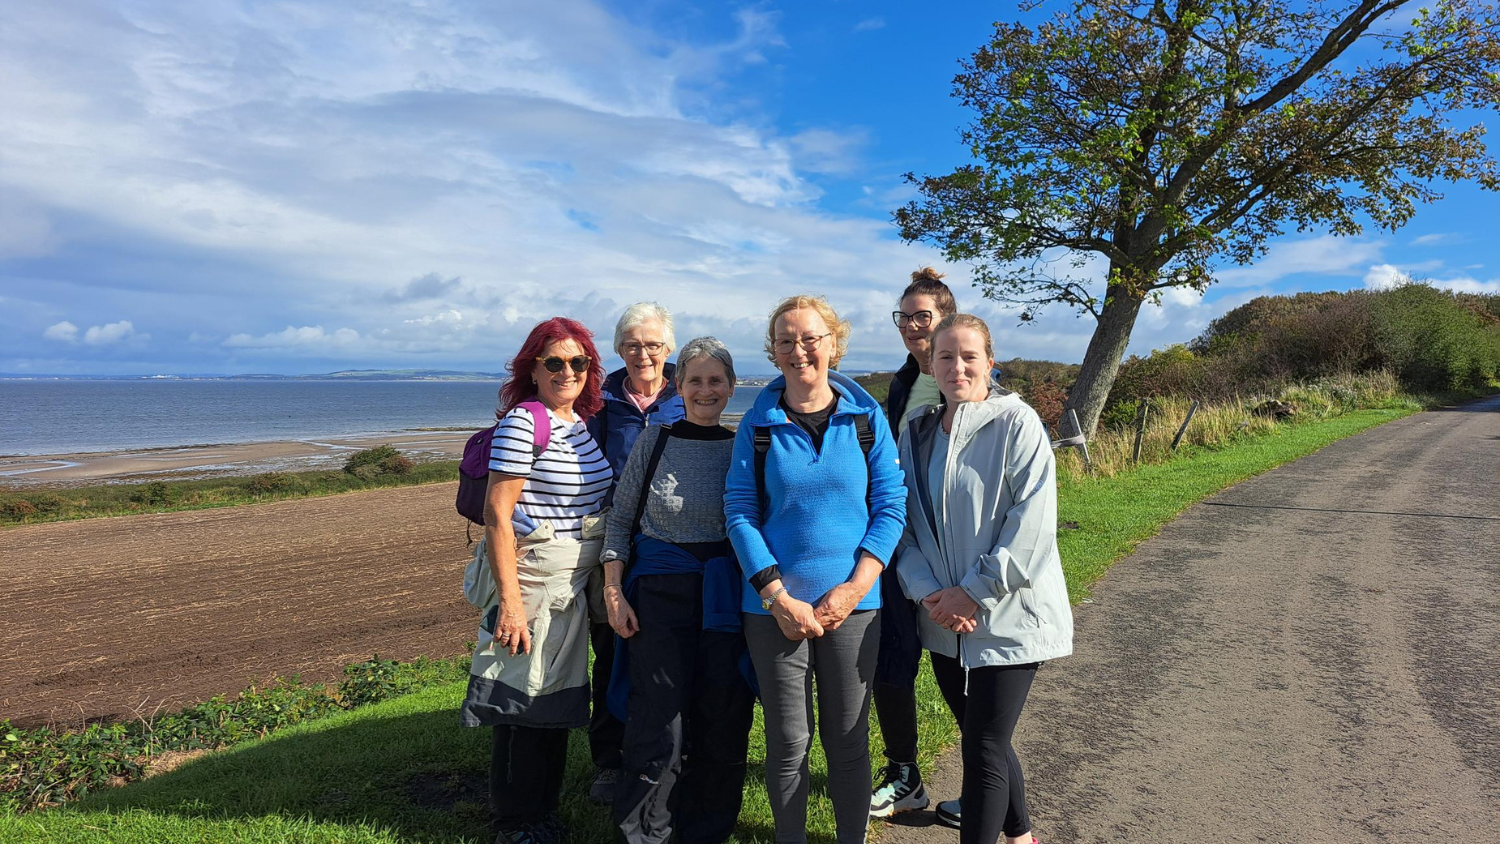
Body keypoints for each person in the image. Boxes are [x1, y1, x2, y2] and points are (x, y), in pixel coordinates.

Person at [725, 294, 907, 844]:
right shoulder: (756, 426)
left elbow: (892, 504)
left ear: (834, 344)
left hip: (855, 608)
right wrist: (776, 595)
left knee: (848, 741)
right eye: (786, 340)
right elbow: (739, 511)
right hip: (773, 610)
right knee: (787, 742)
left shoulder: (867, 419)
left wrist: (855, 587)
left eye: (810, 338)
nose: (799, 349)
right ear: (773, 352)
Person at [893, 314, 1074, 844]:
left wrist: (972, 592)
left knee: (984, 747)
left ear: (990, 362)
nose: (957, 366)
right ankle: (1020, 837)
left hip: (1009, 617)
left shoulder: (1017, 424)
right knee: (983, 738)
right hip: (944, 620)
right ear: (932, 364)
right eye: (945, 357)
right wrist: (930, 593)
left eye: (969, 356)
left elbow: (1032, 526)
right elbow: (903, 525)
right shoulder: (917, 432)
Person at [460, 317, 613, 844]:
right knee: (520, 703)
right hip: (531, 581)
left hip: (566, 583)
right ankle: (515, 822)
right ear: (533, 367)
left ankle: (540, 812)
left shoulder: (576, 421)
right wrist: (510, 604)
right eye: (554, 361)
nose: (567, 370)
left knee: (552, 697)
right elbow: (498, 513)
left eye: (578, 361)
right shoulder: (527, 421)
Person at [600, 337, 755, 844]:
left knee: (722, 714)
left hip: (725, 600)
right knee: (658, 721)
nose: (705, 390)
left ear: (731, 388)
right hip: (658, 596)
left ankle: (705, 829)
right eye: (695, 380)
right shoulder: (656, 441)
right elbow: (621, 521)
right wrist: (614, 591)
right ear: (679, 386)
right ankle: (646, 830)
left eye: (716, 381)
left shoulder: (744, 448)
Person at [584, 302, 687, 803]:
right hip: (616, 540)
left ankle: (674, 753)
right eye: (631, 345)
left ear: (668, 349)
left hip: (672, 542)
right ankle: (609, 758)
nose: (642, 353)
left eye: (652, 345)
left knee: (668, 650)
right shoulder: (600, 402)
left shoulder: (686, 395)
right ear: (618, 350)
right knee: (610, 647)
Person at [870, 267, 960, 821]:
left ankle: (994, 786)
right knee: (892, 661)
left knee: (961, 675)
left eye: (921, 316)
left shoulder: (971, 378)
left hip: (953, 550)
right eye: (904, 317)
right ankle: (905, 774)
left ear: (946, 319)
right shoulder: (903, 383)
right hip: (900, 541)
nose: (911, 326)